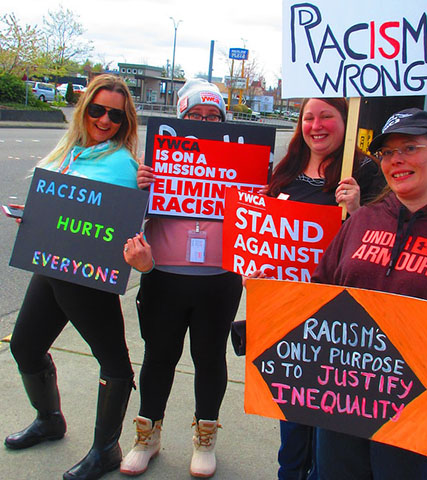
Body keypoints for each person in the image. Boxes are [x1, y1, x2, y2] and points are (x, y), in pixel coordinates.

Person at [311, 108, 427, 479]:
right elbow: (321, 290)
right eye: (387, 153)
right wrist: (269, 298)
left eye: (409, 148)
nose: (396, 160)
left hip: (416, 403)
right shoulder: (363, 220)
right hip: (340, 393)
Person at [4, 74, 140, 480]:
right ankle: (49, 419)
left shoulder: (122, 163)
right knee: (26, 346)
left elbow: (126, 216)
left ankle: (106, 449)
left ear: (124, 121)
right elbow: (54, 205)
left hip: (86, 275)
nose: (104, 120)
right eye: (97, 110)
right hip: (51, 265)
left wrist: (146, 186)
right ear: (84, 109)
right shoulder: (70, 151)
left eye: (115, 115)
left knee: (113, 360)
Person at [119, 79, 244, 478]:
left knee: (210, 358)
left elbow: (263, 220)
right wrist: (140, 191)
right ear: (181, 118)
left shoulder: (241, 159)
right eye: (194, 116)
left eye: (212, 117)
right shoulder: (157, 161)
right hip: (164, 275)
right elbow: (124, 224)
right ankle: (147, 436)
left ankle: (205, 435)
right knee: (158, 358)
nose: (204, 123)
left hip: (219, 277)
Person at [261, 97, 384, 480]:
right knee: (292, 420)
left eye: (326, 116)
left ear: (345, 121)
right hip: (286, 311)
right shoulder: (288, 168)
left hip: (338, 318)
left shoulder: (366, 172)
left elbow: (386, 239)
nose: (316, 125)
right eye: (308, 117)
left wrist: (361, 209)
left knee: (329, 431)